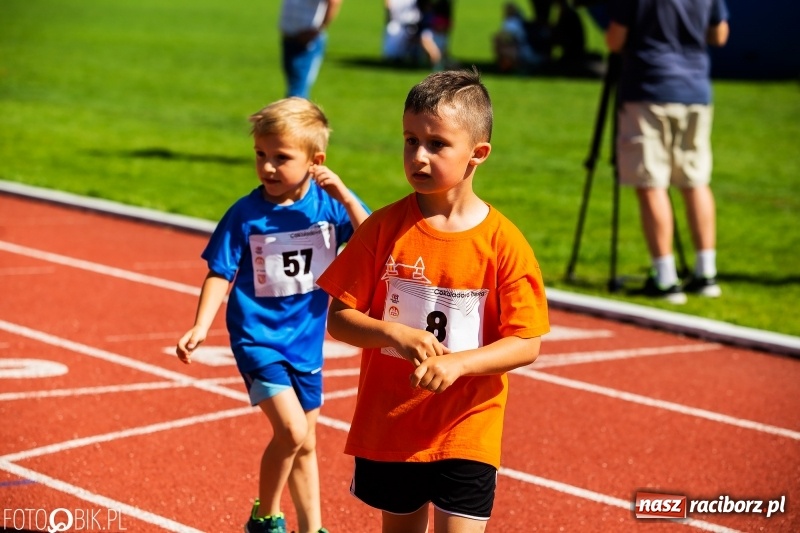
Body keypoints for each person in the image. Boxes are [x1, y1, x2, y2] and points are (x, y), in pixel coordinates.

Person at [316, 69, 550, 533]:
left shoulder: (504, 243)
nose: (418, 157)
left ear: (477, 155)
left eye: (437, 144)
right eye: (409, 140)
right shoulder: (381, 230)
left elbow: (526, 342)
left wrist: (459, 365)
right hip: (394, 425)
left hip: (468, 424)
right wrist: (394, 333)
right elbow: (339, 320)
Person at [175, 97, 370, 533]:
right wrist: (201, 325)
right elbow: (219, 271)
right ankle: (264, 516)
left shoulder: (328, 207)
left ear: (315, 161)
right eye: (261, 155)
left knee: (307, 441)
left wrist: (342, 193)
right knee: (292, 431)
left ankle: (312, 528)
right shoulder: (246, 214)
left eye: (281, 158)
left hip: (306, 341)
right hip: (257, 339)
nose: (267, 167)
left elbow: (372, 238)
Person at [606, 0, 730, 303]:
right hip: (695, 90)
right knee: (695, 180)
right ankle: (706, 273)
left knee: (650, 182)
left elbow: (614, 40)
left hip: (650, 87)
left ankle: (666, 277)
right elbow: (720, 35)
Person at [279, 0, 343, 99]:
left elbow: (334, 2)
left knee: (297, 92)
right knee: (293, 85)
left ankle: (296, 114)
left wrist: (317, 30)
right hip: (289, 38)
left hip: (307, 42)